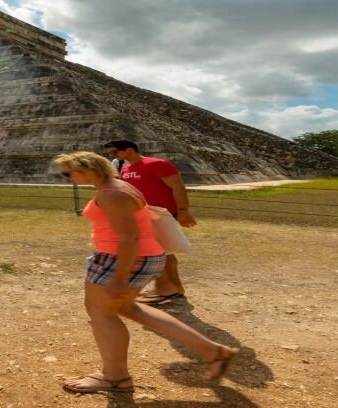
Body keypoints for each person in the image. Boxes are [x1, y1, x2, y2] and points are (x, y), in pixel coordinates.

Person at [55, 152, 237, 394]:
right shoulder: (120, 186)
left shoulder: (112, 194)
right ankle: (212, 350)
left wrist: (120, 277)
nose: (66, 178)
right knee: (129, 308)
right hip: (139, 257)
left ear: (87, 169)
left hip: (121, 259)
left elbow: (129, 236)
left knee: (102, 314)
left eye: (68, 173)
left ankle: (115, 377)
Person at [104, 140, 196, 304]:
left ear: (129, 150)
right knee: (163, 251)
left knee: (158, 251)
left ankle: (167, 288)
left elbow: (177, 186)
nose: (113, 157)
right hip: (142, 215)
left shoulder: (157, 164)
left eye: (115, 153)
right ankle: (171, 287)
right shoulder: (125, 170)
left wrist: (183, 211)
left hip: (161, 214)